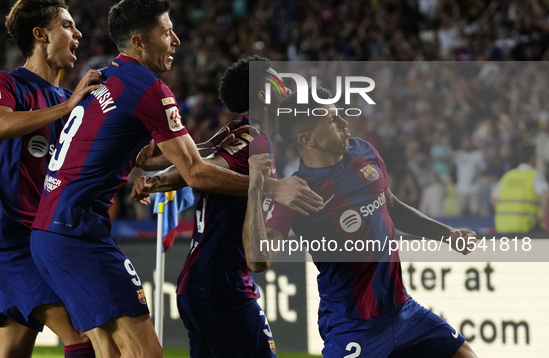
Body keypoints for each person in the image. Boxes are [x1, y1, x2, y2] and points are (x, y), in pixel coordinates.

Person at [30, 0, 321, 358]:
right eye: (167, 32)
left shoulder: (108, 79)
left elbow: (145, 157)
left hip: (48, 232)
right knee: (145, 354)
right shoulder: (148, 88)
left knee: (102, 349)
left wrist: (172, 155)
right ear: (139, 41)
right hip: (79, 232)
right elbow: (196, 173)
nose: (176, 40)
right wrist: (274, 187)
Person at [244, 89, 479, 358]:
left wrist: (447, 234)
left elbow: (390, 205)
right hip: (353, 326)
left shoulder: (362, 151)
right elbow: (259, 261)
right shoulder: (297, 193)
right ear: (307, 138)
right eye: (332, 120)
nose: (344, 123)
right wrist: (255, 190)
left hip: (403, 311)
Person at [131, 56, 322, 357]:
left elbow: (199, 163)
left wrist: (159, 179)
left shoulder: (237, 133)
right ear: (264, 96)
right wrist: (159, 178)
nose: (286, 88)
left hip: (198, 285)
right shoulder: (253, 141)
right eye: (278, 82)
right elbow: (203, 172)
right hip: (222, 287)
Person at [0, 0, 110, 358]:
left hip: (45, 242)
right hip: (11, 239)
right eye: (67, 25)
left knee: (12, 355)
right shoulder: (4, 82)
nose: (78, 34)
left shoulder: (68, 101)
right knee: (84, 338)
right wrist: (68, 106)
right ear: (40, 34)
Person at [491, 143, 549, 233]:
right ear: (532, 157)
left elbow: (493, 198)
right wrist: (543, 215)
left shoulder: (508, 176)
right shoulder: (534, 176)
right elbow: (546, 195)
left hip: (503, 227)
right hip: (526, 227)